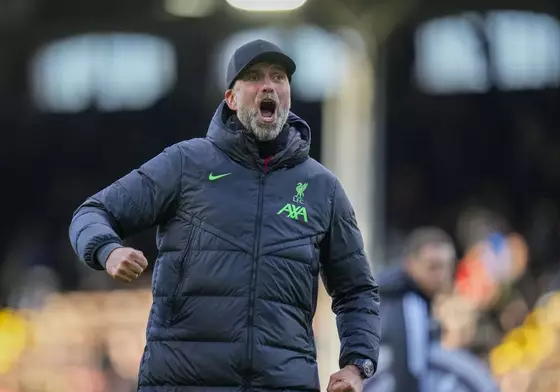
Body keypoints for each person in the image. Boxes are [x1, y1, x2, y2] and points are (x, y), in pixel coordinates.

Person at [69, 39, 380, 392]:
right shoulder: (186, 164)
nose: (268, 85)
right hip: (183, 383)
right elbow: (93, 212)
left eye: (278, 78)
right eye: (254, 77)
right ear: (231, 99)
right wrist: (107, 250)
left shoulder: (322, 187)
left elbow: (357, 291)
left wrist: (356, 366)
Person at [364, 227, 455, 392]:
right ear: (410, 264)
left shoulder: (389, 296)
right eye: (433, 267)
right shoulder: (410, 306)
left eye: (446, 266)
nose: (441, 276)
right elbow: (412, 369)